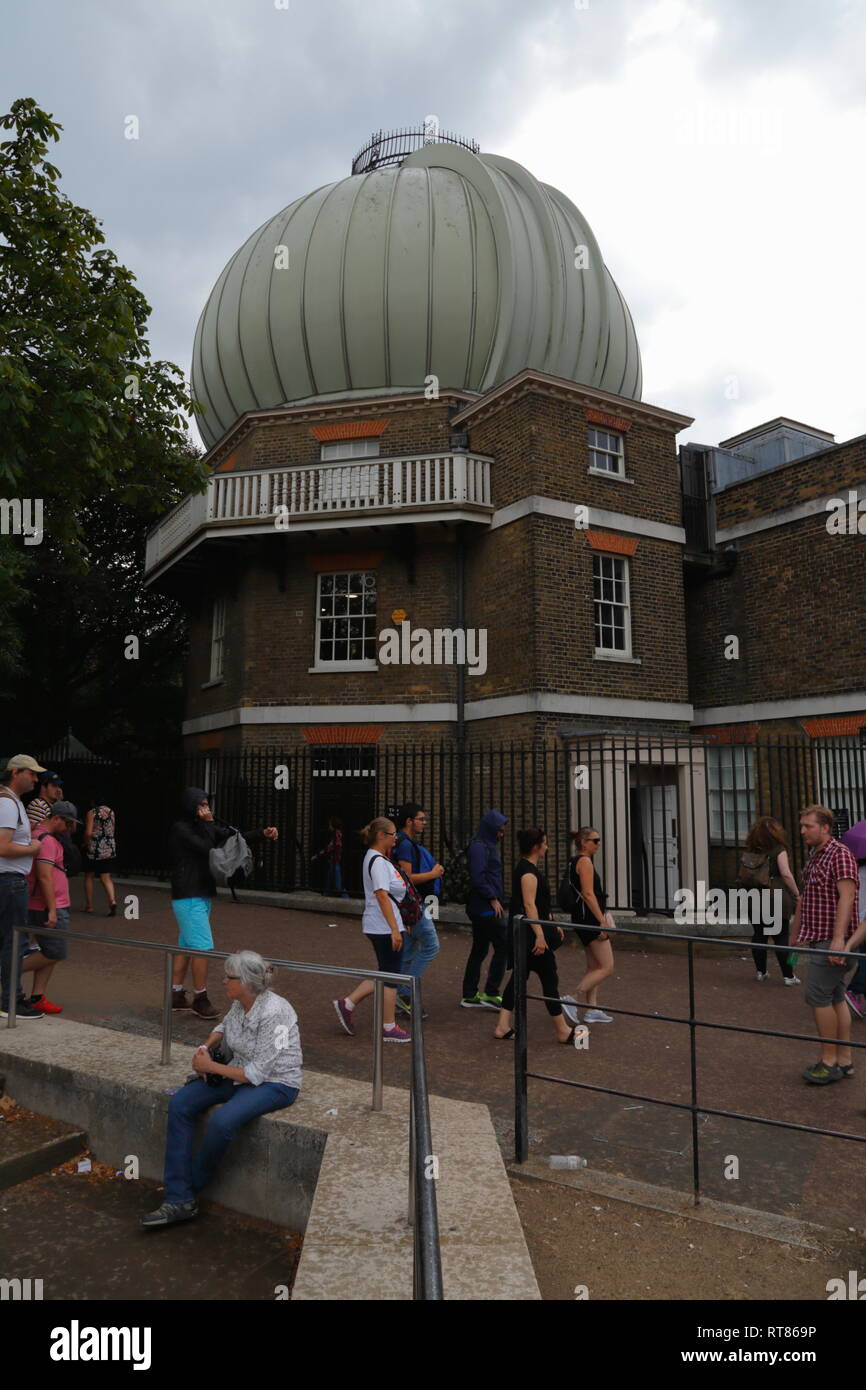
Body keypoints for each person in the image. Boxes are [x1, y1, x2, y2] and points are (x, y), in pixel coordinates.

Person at [141, 950, 301, 1229]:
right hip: (237, 1072)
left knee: (221, 1122)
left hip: (276, 1083)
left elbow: (257, 1074)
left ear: (247, 982)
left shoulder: (276, 1012)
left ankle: (186, 1193)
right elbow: (224, 1026)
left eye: (229, 978)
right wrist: (205, 1049)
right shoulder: (241, 1002)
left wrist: (211, 1068)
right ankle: (179, 1196)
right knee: (181, 1104)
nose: (223, 981)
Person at [168, 788, 278, 1020]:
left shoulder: (201, 825)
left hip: (199, 893)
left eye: (207, 804)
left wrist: (261, 834)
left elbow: (231, 837)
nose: (206, 809)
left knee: (186, 947)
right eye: (202, 804)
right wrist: (208, 823)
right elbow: (208, 848)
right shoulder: (181, 829)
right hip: (189, 894)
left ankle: (176, 995)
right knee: (202, 948)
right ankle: (200, 998)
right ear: (191, 806)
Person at [792, 804, 860, 1084]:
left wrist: (838, 940)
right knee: (835, 996)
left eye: (808, 826)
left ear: (825, 828)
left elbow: (847, 897)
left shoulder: (839, 854)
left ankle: (828, 1061)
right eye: (802, 826)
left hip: (832, 942)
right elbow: (808, 898)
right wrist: (795, 934)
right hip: (820, 938)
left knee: (817, 997)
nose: (803, 831)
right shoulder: (815, 855)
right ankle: (844, 1060)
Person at [494, 828, 578, 1045]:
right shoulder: (529, 873)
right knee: (550, 979)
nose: (547, 847)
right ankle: (561, 1030)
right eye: (545, 843)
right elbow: (529, 905)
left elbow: (538, 905)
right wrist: (540, 935)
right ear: (536, 847)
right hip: (531, 938)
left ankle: (503, 1025)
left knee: (519, 979)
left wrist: (550, 923)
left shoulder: (525, 869)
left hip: (526, 935)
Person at [332, 817, 410, 1043]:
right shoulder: (376, 861)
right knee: (391, 975)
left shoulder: (380, 859)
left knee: (386, 970)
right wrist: (395, 929)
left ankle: (347, 1003)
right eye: (393, 834)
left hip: (385, 924)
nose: (396, 838)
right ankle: (388, 1026)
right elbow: (382, 895)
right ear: (381, 836)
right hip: (382, 927)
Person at [21, 801, 81, 1014]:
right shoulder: (46, 840)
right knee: (55, 952)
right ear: (56, 819)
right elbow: (44, 876)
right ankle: (7, 973)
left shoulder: (41, 836)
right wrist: (53, 908)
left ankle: (37, 996)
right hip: (48, 905)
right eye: (68, 824)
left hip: (47, 903)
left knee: (49, 951)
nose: (69, 829)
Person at [0, 755, 47, 1020]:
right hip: (9, 882)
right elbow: (2, 846)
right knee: (13, 943)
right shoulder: (8, 804)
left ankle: (10, 998)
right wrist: (33, 848)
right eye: (31, 773)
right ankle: (11, 1001)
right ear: (16, 772)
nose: (36, 778)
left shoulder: (9, 801)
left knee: (8, 943)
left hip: (8, 881)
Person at [392, 803, 443, 1019]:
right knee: (431, 946)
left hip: (409, 905)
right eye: (421, 819)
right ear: (409, 821)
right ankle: (404, 993)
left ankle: (401, 999)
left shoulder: (406, 842)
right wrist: (434, 873)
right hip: (412, 905)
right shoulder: (405, 844)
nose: (424, 823)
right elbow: (407, 878)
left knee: (410, 948)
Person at [739, 816, 801, 984]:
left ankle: (761, 972)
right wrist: (797, 893)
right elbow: (786, 874)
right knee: (781, 937)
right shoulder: (778, 849)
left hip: (754, 897)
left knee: (759, 935)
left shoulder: (751, 851)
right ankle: (788, 976)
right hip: (776, 897)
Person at [563, 827, 616, 1024]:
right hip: (590, 919)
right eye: (595, 840)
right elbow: (588, 893)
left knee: (594, 965)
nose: (598, 843)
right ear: (584, 843)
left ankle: (592, 1009)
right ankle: (572, 998)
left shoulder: (574, 861)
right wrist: (601, 921)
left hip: (582, 918)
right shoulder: (584, 861)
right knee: (607, 966)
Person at [461, 809, 508, 1009]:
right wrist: (492, 898)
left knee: (479, 949)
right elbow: (478, 876)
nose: (501, 834)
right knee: (503, 946)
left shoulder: (484, 845)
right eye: (499, 829)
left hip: (482, 906)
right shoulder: (480, 847)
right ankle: (490, 992)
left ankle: (470, 994)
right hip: (485, 907)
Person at [83, 797, 118, 916]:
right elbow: (112, 830)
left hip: (94, 848)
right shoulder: (111, 812)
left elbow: (88, 832)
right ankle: (112, 901)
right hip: (108, 848)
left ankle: (89, 905)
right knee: (106, 877)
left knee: (89, 875)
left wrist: (86, 843)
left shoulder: (92, 812)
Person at [311, 815, 348, 897]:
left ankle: (346, 898)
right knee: (329, 885)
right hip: (333, 862)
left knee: (337, 887)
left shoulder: (337, 835)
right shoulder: (338, 834)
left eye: (330, 825)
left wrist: (317, 855)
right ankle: (325, 896)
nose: (329, 826)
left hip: (335, 863)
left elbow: (330, 848)